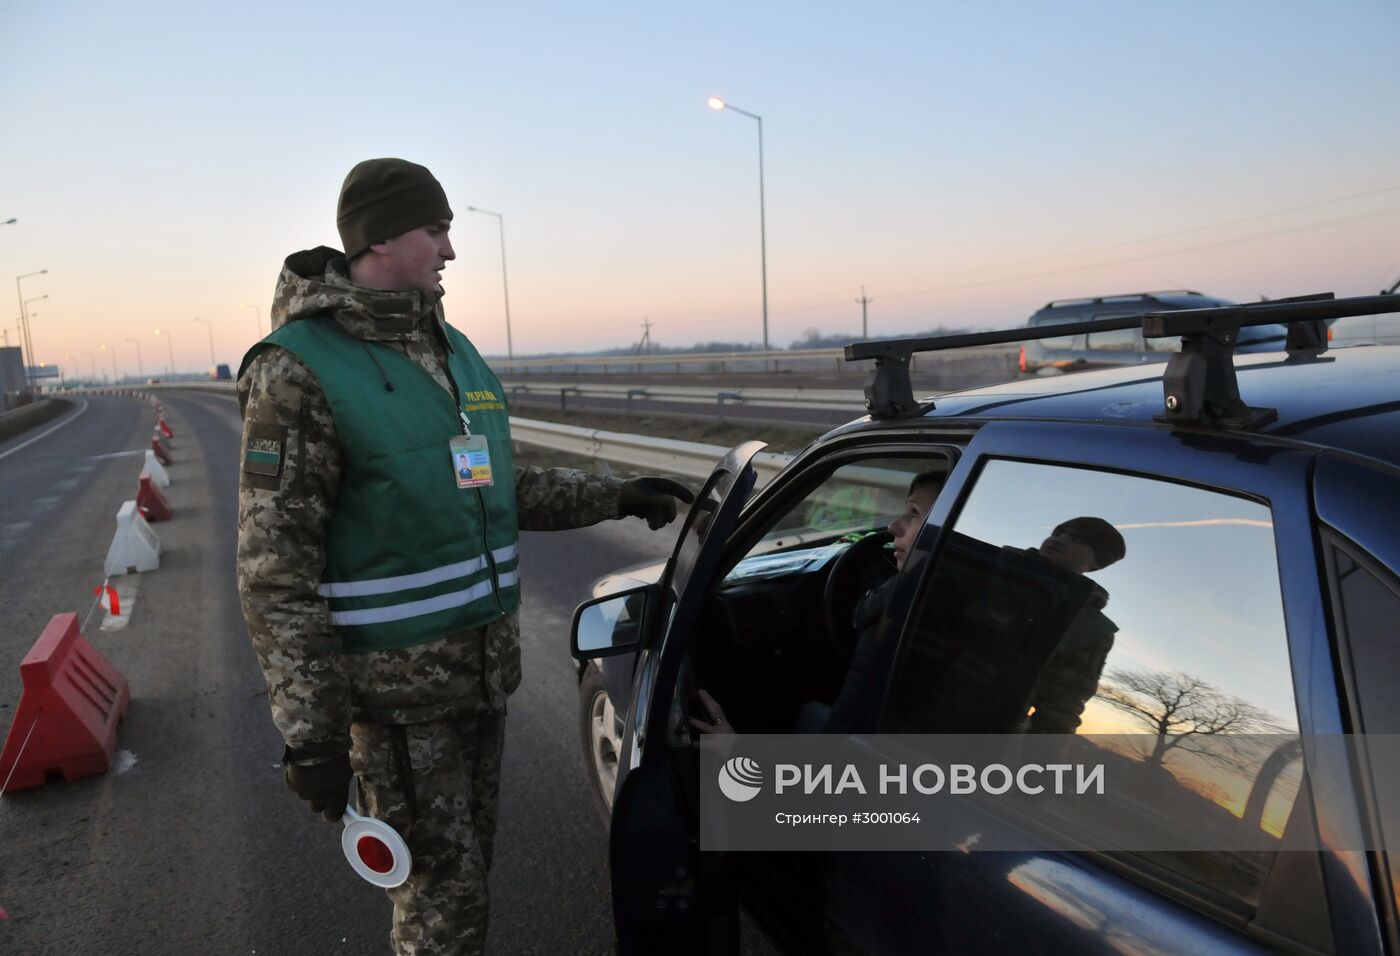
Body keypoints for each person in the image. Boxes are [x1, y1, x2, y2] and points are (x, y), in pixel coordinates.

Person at [235, 157, 692, 956]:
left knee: (463, 880)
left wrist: (612, 496)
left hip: (478, 680)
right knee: (441, 903)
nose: (451, 251)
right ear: (380, 238)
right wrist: (311, 733)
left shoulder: (450, 352)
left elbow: (489, 486)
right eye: (437, 230)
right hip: (394, 703)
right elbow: (275, 570)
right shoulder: (298, 368)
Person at [693, 470, 945, 735]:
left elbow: (837, 746)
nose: (893, 526)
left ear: (948, 528)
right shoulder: (962, 598)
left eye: (914, 513)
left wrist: (734, 749)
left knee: (808, 712)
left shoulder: (890, 615)